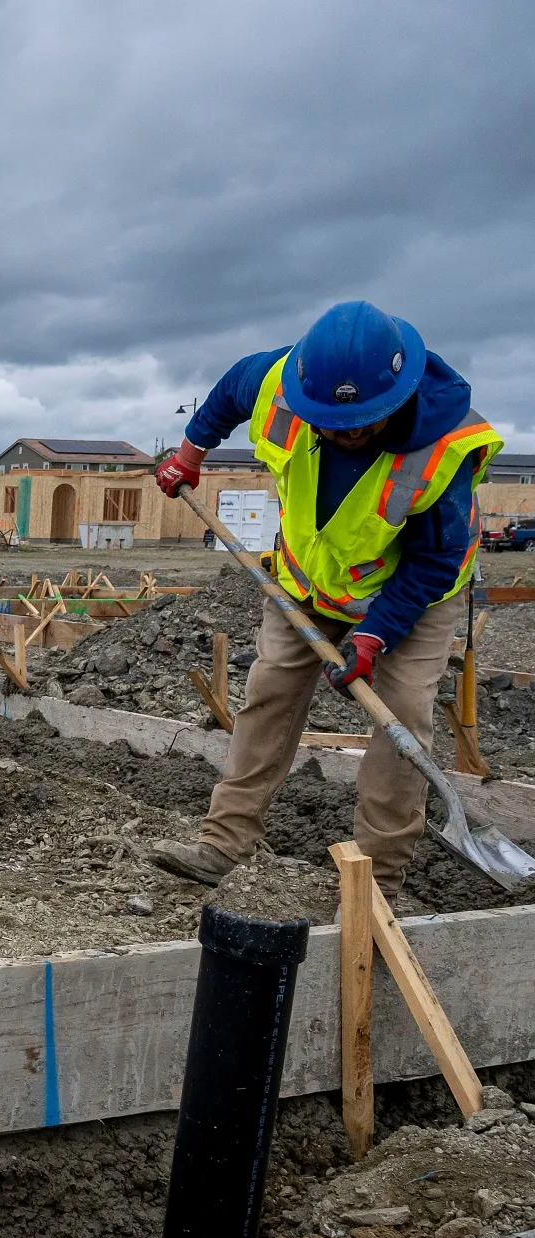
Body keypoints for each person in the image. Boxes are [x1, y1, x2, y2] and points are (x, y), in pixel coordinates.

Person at [149, 301, 504, 895]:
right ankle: (224, 843)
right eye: (330, 422)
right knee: (268, 696)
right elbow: (233, 388)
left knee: (401, 723)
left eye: (361, 423)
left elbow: (434, 560)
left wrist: (374, 633)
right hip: (306, 582)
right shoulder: (280, 382)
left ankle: (377, 879)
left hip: (411, 597)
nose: (343, 434)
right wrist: (191, 453)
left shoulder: (444, 449)